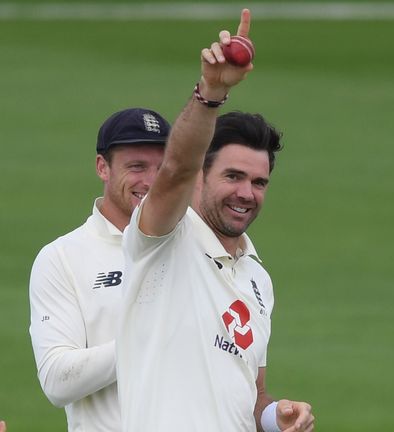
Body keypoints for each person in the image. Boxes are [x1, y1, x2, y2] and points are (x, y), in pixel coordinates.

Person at [116, 9, 314, 432]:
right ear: (200, 178)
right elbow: (175, 168)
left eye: (259, 182)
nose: (247, 193)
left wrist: (275, 416)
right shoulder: (165, 237)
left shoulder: (257, 279)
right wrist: (211, 92)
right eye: (233, 176)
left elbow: (251, 395)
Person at [29, 107, 169, 431]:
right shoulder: (62, 257)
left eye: (162, 168)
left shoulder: (194, 247)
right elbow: (56, 380)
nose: (151, 181)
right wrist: (144, 340)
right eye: (136, 167)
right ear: (102, 167)